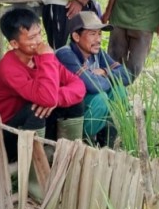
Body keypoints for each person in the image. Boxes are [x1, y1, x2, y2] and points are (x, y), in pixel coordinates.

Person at [0, 8, 86, 156]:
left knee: (74, 102)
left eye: (40, 33)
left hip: (32, 125)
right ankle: (34, 171)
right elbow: (46, 98)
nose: (39, 40)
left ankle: (70, 157)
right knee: (35, 109)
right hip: (7, 133)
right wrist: (47, 59)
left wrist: (55, 99)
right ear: (15, 44)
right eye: (31, 37)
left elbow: (79, 86)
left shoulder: (40, 56)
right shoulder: (9, 68)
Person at [56, 12, 132, 147]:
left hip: (87, 106)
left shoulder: (97, 52)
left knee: (120, 91)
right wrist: (104, 79)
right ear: (76, 36)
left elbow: (126, 76)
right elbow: (92, 86)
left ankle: (107, 143)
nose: (98, 39)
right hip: (67, 116)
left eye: (99, 34)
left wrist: (104, 72)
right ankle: (85, 142)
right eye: (92, 34)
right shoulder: (66, 54)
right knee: (101, 98)